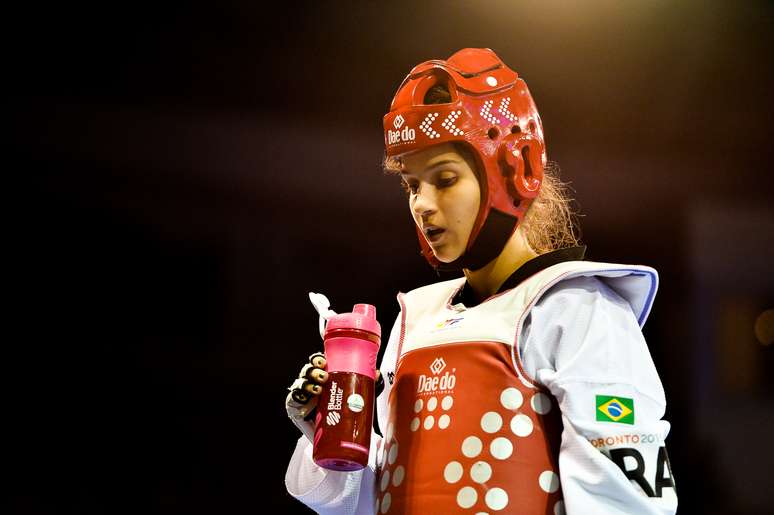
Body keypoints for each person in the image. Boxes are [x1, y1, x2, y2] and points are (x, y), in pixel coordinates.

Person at [284, 48, 677, 514]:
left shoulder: (577, 309)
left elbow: (629, 503)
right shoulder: (415, 321)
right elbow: (373, 501)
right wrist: (329, 434)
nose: (422, 204)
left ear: (516, 170)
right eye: (412, 185)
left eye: (445, 179)